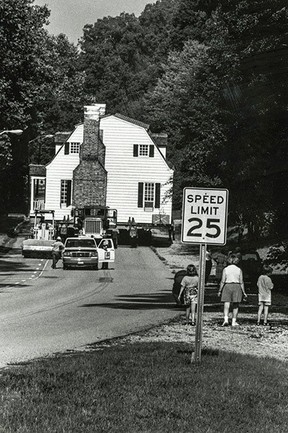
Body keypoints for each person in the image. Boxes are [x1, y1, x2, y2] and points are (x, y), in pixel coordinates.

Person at [218, 254, 247, 327]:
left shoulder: (226, 269)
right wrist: (244, 292)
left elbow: (222, 281)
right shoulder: (239, 269)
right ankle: (234, 321)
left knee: (226, 304)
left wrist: (220, 290)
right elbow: (241, 281)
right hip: (236, 286)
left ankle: (226, 319)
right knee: (236, 305)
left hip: (227, 286)